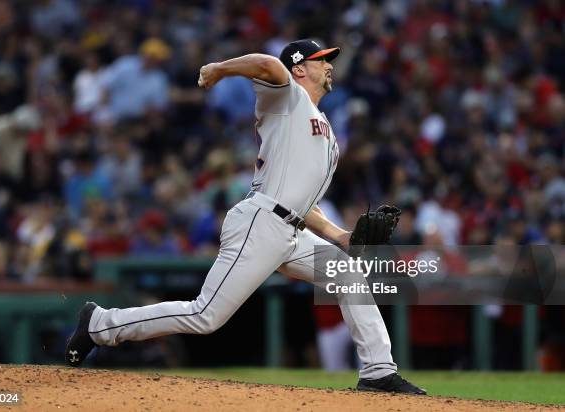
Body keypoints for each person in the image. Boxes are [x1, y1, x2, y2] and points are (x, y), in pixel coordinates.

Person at [65, 39, 426, 394]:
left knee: (348, 274)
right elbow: (269, 64)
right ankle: (100, 324)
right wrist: (220, 69)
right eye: (320, 60)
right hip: (262, 222)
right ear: (299, 68)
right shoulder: (288, 98)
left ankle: (379, 372)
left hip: (290, 228)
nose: (329, 65)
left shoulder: (324, 126)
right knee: (205, 315)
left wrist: (341, 236)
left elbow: (303, 202)